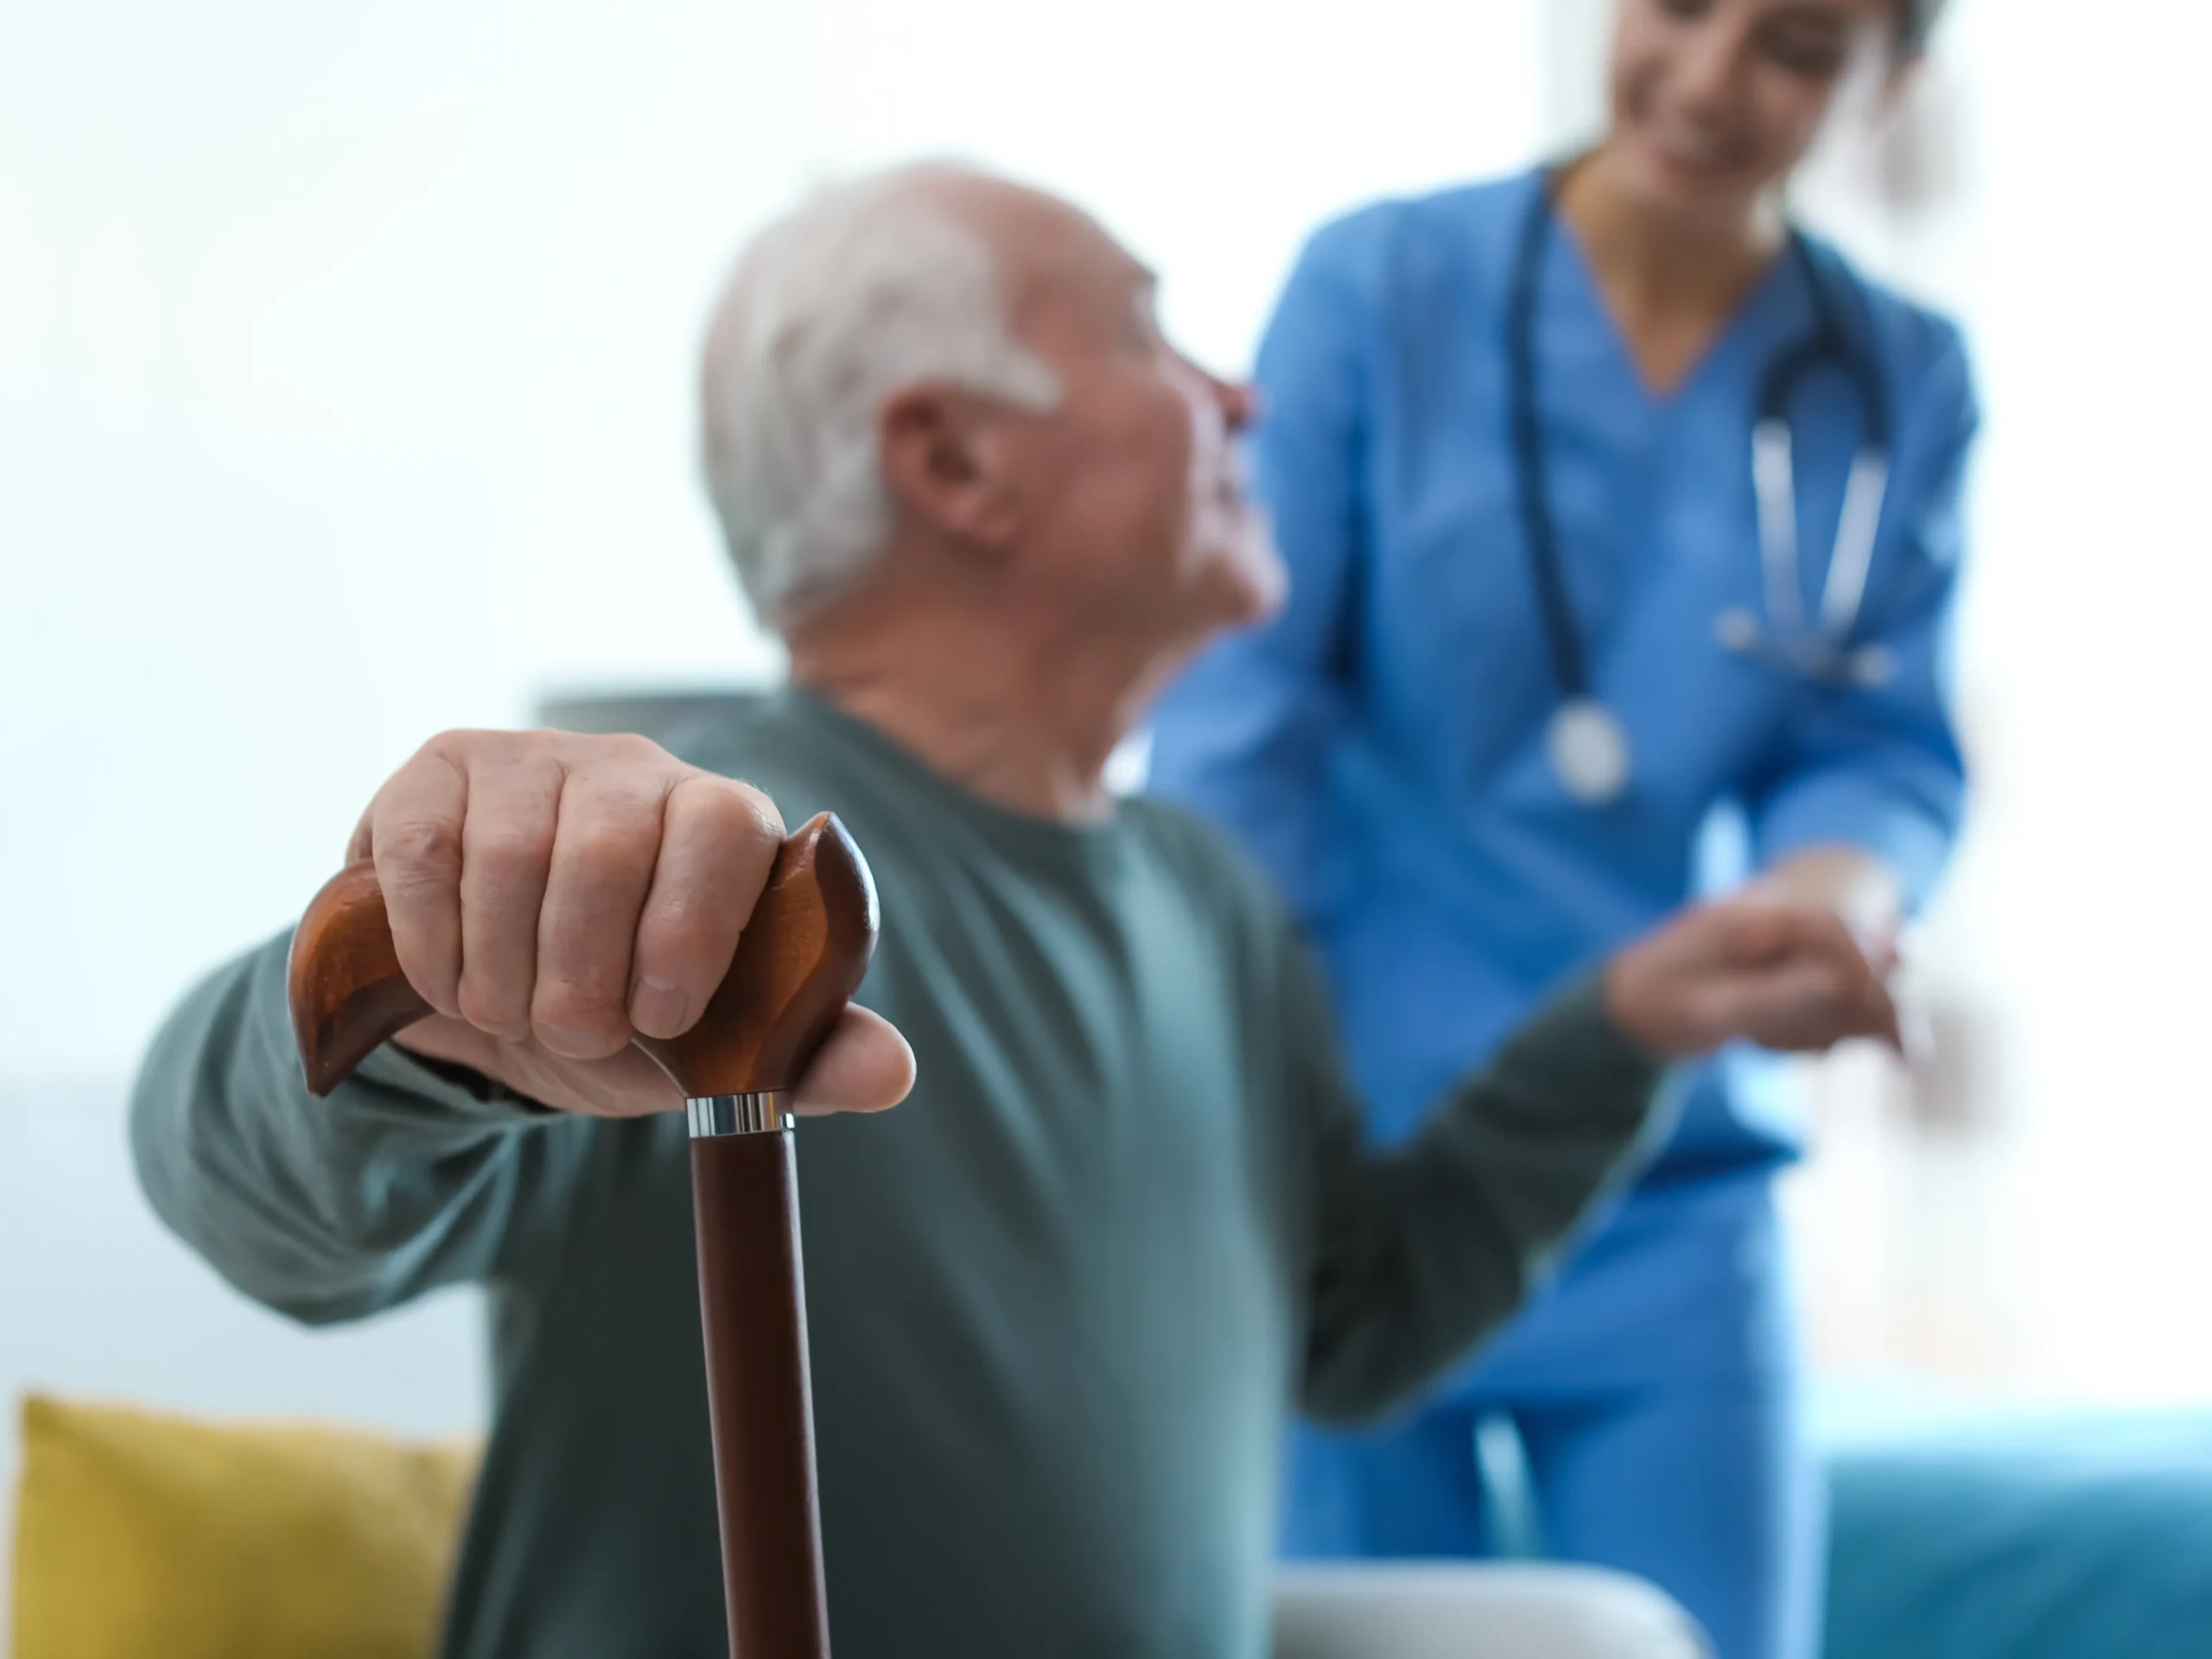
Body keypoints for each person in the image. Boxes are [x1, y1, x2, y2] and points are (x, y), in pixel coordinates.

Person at [131, 163, 1901, 1659]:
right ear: (954, 461)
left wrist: (1622, 1030)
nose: (1243, 400)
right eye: (1151, 335)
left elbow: (1350, 1327)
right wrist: (411, 985)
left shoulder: (1204, 899)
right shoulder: (674, 863)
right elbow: (245, 1192)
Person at [1145, 3, 1976, 1656]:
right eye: (1678, 7)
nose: (1707, 79)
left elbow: (1875, 736)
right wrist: (1226, 1101)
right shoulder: (1383, 290)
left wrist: (1831, 889)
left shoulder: (1894, 373)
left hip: (1667, 1177)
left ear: (1894, 84)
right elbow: (1241, 731)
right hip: (1357, 1166)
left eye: (1797, 48)